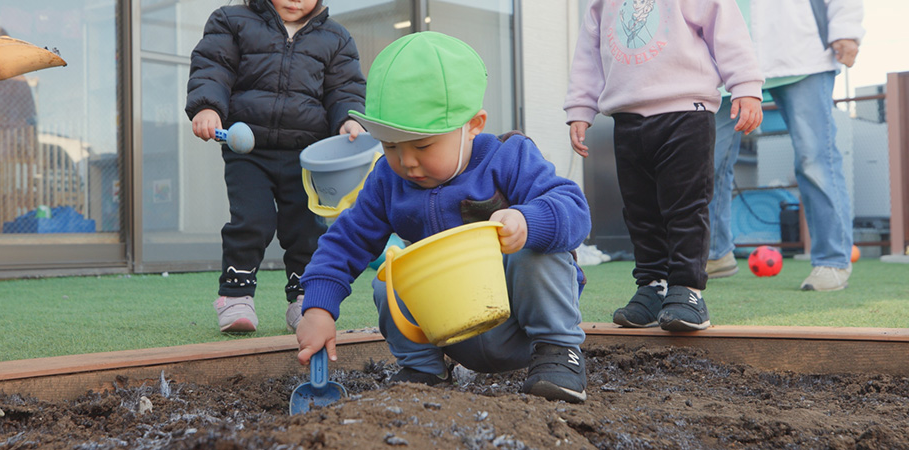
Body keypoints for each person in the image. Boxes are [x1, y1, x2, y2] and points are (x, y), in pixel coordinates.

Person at [295, 32, 593, 404]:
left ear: (473, 125)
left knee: (535, 252)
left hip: (520, 322)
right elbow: (346, 241)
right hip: (448, 327)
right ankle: (424, 370)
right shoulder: (388, 181)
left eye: (423, 145)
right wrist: (318, 307)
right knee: (390, 279)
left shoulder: (508, 157)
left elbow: (573, 207)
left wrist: (528, 221)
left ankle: (559, 354)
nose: (407, 162)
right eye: (390, 146)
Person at [564, 0, 764, 331]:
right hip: (627, 116)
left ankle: (687, 289)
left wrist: (745, 85)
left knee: (685, 206)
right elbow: (589, 51)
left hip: (686, 110)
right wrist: (580, 107)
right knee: (640, 211)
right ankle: (652, 285)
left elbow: (725, 26)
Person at [185, 0, 366, 333]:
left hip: (306, 155)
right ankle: (235, 295)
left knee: (306, 229)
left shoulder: (336, 37)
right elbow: (213, 67)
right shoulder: (232, 20)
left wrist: (349, 120)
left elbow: (345, 89)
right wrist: (208, 107)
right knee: (252, 220)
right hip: (248, 150)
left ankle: (304, 299)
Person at [705, 0, 864, 291]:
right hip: (726, 58)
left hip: (800, 51)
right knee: (706, 161)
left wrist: (846, 29)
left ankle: (833, 258)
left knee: (815, 159)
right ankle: (715, 253)